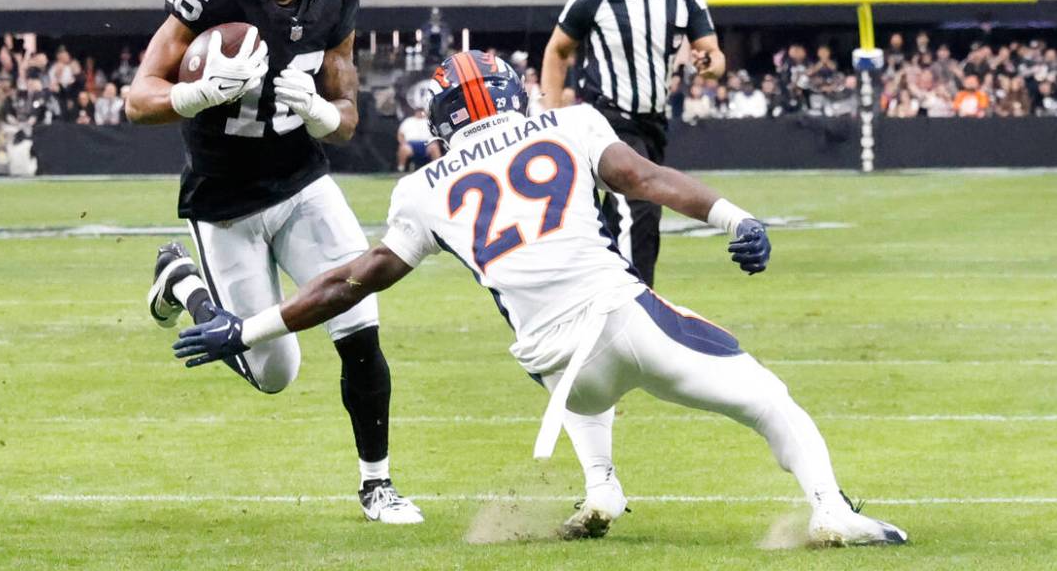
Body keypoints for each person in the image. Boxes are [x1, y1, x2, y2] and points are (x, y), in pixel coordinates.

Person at [172, 51, 908, 548]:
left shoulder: (423, 187)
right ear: (511, 93)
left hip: (553, 366)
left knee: (582, 384)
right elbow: (644, 180)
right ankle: (830, 509)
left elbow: (350, 279)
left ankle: (602, 487)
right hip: (620, 318)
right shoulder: (569, 120)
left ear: (442, 120)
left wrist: (251, 326)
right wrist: (733, 216)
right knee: (767, 398)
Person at [125, 0, 422, 525]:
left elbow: (346, 120)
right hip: (223, 200)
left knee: (360, 316)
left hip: (299, 182)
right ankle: (183, 282)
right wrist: (193, 95)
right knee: (273, 372)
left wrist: (319, 111)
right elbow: (138, 97)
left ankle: (376, 482)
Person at [540, 0, 726, 287]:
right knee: (639, 209)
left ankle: (593, 291)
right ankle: (637, 306)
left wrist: (707, 65)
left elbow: (714, 57)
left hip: (654, 123)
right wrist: (551, 110)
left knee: (622, 218)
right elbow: (557, 50)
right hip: (608, 119)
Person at [395, 106, 440, 172]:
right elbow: (400, 134)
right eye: (418, 111)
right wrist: (403, 143)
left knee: (435, 147)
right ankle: (401, 169)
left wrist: (435, 141)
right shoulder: (408, 121)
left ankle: (438, 168)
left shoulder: (428, 121)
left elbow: (436, 134)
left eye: (421, 111)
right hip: (411, 144)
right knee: (403, 148)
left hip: (427, 143)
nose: (419, 113)